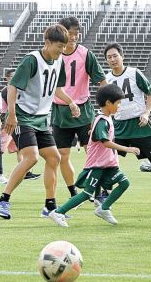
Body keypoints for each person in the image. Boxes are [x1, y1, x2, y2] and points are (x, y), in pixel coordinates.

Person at [0, 24, 81, 220]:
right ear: (47, 43)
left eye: (64, 46)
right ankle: (2, 201)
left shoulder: (59, 62)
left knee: (54, 158)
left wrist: (71, 102)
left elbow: (57, 89)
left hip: (41, 119)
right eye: (59, 46)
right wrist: (12, 114)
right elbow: (12, 86)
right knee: (31, 158)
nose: (62, 50)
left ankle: (50, 207)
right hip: (23, 116)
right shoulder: (31, 60)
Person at [49, 84, 140, 226]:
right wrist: (127, 149)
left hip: (108, 164)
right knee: (87, 194)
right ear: (109, 103)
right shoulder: (102, 120)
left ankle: (104, 208)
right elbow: (105, 142)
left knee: (124, 183)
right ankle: (58, 212)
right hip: (97, 165)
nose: (120, 106)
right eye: (118, 103)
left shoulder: (105, 119)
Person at [103, 42, 151, 204]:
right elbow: (105, 103)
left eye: (115, 55)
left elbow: (150, 92)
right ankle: (105, 191)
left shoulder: (134, 73)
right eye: (109, 57)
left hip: (139, 124)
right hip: (119, 126)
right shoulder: (107, 79)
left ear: (122, 56)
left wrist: (146, 112)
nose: (112, 59)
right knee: (107, 159)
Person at [52, 16, 107, 198]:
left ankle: (97, 191)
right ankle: (73, 191)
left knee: (92, 152)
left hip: (84, 110)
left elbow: (102, 81)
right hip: (60, 111)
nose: (74, 37)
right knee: (62, 155)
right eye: (71, 33)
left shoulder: (85, 53)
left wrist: (104, 106)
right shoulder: (54, 55)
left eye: (77, 34)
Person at [0, 69, 41, 181]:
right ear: (7, 78)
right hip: (7, 124)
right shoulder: (7, 90)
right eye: (12, 76)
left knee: (19, 149)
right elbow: (5, 110)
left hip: (15, 123)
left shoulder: (15, 89)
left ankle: (26, 172)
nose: (15, 77)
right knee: (0, 149)